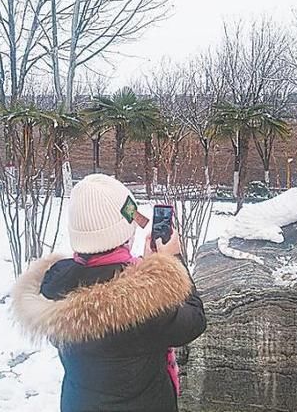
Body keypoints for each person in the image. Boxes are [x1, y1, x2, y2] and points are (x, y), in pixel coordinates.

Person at [11, 174, 206, 412]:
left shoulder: (54, 279)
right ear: (125, 231)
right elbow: (194, 322)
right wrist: (171, 262)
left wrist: (146, 270)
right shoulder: (144, 294)